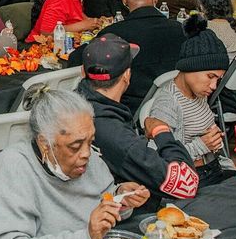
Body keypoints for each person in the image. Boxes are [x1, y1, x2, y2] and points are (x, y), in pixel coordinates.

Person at [0, 89, 150, 239]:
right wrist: (85, 238)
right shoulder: (13, 168)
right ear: (45, 143)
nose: (86, 153)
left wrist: (120, 199)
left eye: (90, 141)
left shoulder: (86, 158)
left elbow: (102, 198)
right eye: (75, 147)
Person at [80, 35, 199, 211]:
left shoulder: (75, 104)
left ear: (83, 72)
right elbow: (186, 185)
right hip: (121, 218)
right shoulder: (115, 134)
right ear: (127, 75)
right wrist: (162, 132)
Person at [147, 17, 236, 185]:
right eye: (210, 77)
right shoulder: (168, 102)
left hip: (214, 168)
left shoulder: (199, 93)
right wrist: (202, 145)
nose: (213, 86)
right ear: (189, 67)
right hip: (193, 179)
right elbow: (160, 158)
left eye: (218, 79)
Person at [97, 0, 187, 113]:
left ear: (124, 0)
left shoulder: (113, 34)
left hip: (129, 110)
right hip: (174, 106)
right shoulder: (180, 30)